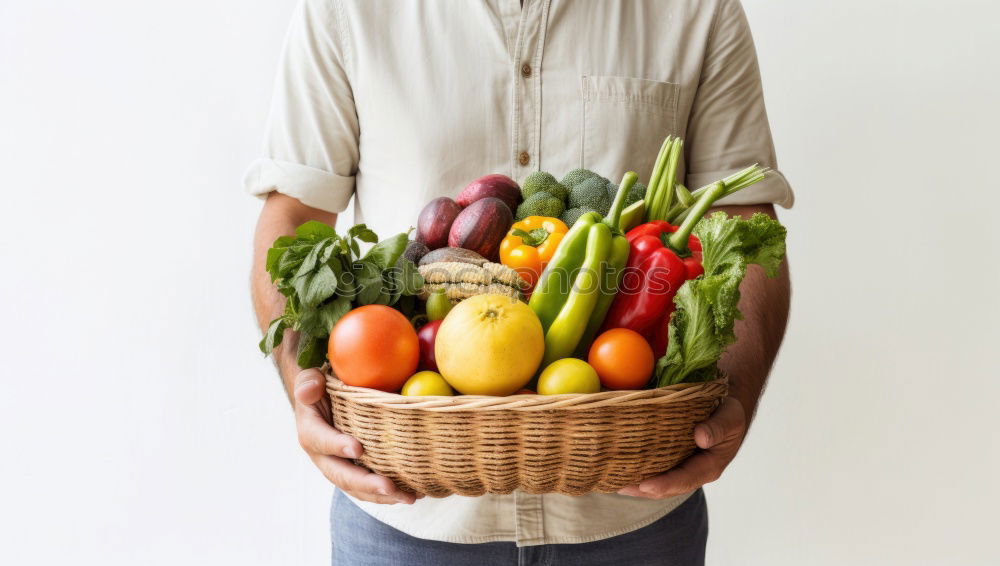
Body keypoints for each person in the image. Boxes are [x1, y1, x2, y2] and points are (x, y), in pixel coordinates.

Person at [247, 1, 792, 564]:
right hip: (405, 511)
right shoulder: (345, 9)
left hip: (634, 510)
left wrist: (738, 398)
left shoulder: (696, 9)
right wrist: (302, 390)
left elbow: (745, 226)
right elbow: (294, 220)